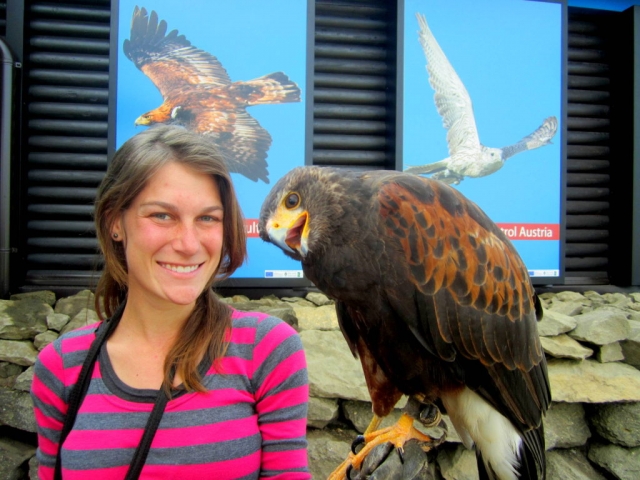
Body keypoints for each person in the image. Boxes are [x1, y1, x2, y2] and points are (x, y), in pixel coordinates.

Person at [31, 125, 310, 479]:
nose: (189, 244)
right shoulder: (61, 367)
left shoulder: (266, 350)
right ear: (115, 221)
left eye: (208, 218)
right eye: (163, 215)